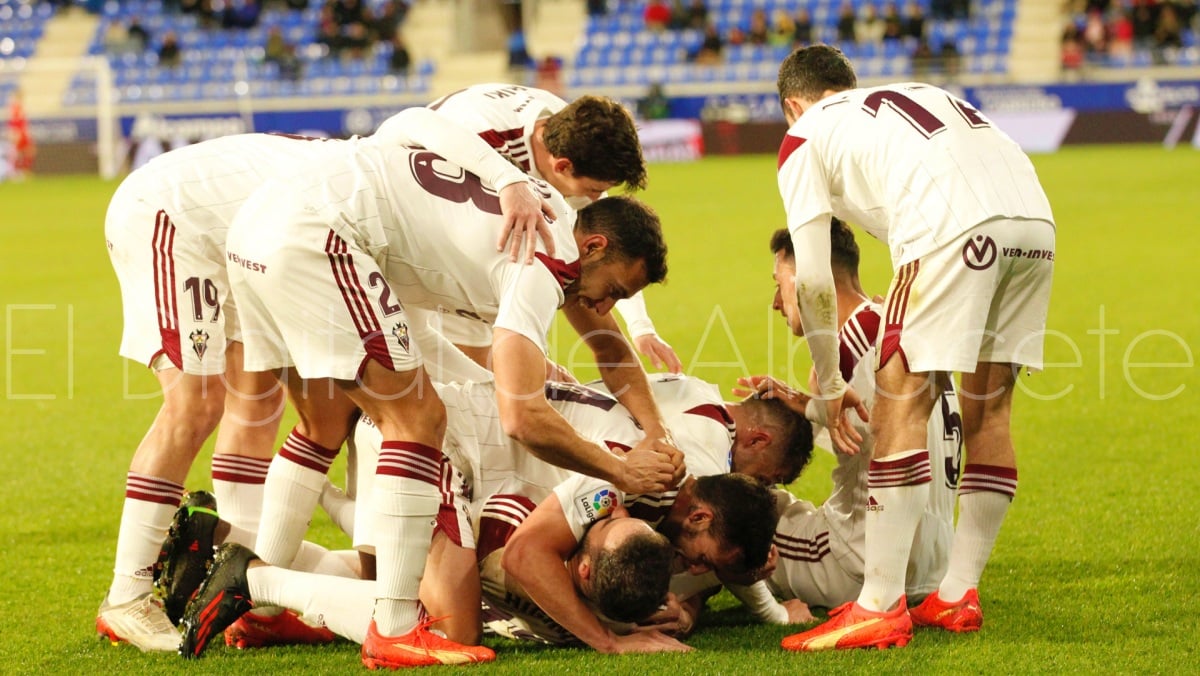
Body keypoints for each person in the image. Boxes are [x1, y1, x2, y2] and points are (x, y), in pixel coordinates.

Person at [96, 129, 553, 652]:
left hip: (249, 236)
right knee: (196, 402)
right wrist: (499, 382)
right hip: (173, 215)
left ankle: (246, 576)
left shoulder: (388, 185)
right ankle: (127, 595)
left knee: (263, 405)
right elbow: (415, 337)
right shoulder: (388, 205)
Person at [224, 147, 682, 668]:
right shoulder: (543, 267)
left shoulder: (541, 211)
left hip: (257, 228)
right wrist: (624, 471)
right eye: (615, 291)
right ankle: (349, 612)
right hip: (315, 237)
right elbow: (521, 419)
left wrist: (505, 177)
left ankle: (256, 600)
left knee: (319, 428)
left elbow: (407, 127)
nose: (604, 308)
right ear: (594, 246)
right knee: (418, 424)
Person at [774, 45, 1054, 650]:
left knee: (902, 398)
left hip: (951, 229)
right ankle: (956, 594)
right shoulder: (906, 98)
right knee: (990, 408)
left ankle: (877, 605)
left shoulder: (804, 135)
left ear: (793, 106)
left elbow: (813, 276)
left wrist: (827, 383)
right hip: (1035, 225)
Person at [6, 89, 34, 179]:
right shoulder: (15, 107)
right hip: (18, 133)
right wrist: (14, 132)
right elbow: (14, 122)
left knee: (28, 151)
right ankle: (14, 172)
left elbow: (22, 122)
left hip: (22, 133)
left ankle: (23, 171)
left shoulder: (19, 107)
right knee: (17, 152)